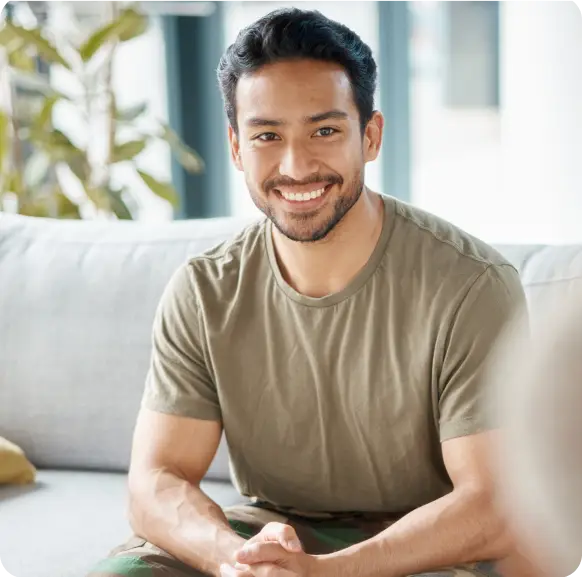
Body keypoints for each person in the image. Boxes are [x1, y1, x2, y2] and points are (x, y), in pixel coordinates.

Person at [87, 8, 526, 577]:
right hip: (271, 531)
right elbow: (154, 482)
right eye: (267, 135)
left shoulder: (472, 286)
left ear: (369, 136)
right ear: (238, 148)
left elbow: (493, 504)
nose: (296, 166)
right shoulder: (203, 291)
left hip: (427, 542)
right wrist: (236, 562)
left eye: (324, 131)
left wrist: (329, 573)